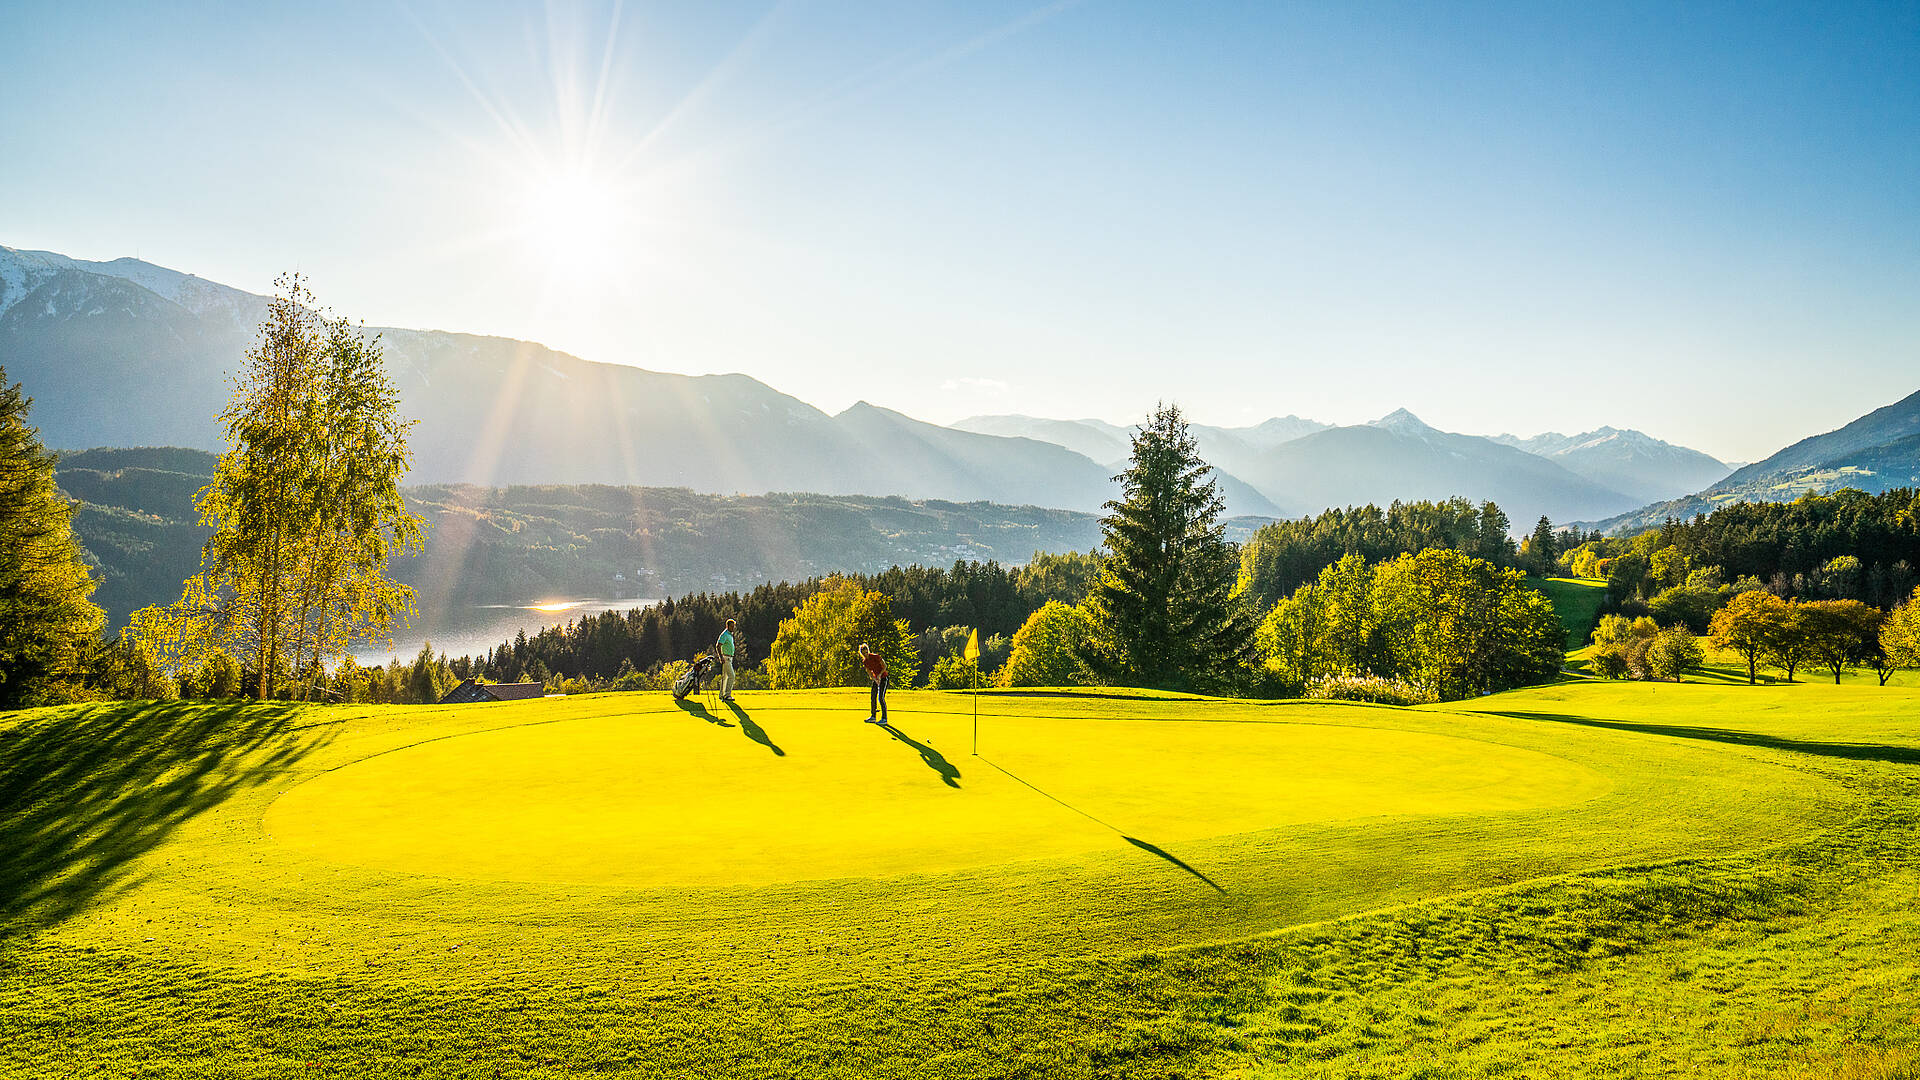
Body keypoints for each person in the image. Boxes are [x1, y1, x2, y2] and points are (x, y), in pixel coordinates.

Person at [858, 642, 888, 724]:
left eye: (866, 652)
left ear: (868, 651)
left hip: (884, 678)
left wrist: (879, 675)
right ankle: (873, 717)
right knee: (873, 696)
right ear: (861, 654)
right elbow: (869, 672)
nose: (865, 654)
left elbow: (884, 666)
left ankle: (884, 719)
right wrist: (875, 679)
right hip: (877, 679)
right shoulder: (865, 661)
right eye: (863, 653)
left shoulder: (875, 657)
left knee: (881, 698)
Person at [715, 619, 738, 702]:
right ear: (727, 626)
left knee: (725, 677)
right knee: (731, 676)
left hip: (729, 658)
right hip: (726, 658)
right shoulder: (724, 634)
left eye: (733, 626)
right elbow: (718, 645)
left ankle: (721, 695)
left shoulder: (729, 634)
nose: (733, 628)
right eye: (731, 626)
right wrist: (720, 657)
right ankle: (727, 695)